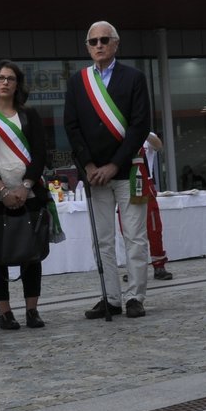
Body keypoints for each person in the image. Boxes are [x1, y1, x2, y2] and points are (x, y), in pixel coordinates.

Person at [64, 21, 153, 319]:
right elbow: (72, 127)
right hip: (95, 176)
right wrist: (89, 166)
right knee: (102, 239)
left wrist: (115, 164)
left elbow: (140, 125)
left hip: (128, 171)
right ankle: (111, 297)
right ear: (87, 47)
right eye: (93, 41)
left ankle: (135, 297)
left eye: (105, 39)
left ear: (116, 43)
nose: (99, 45)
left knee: (135, 237)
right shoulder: (78, 82)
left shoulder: (134, 78)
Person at [0, 60, 51, 330]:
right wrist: (3, 190)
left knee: (31, 252)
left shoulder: (30, 116)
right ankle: (5, 312)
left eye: (11, 78)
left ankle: (32, 310)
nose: (5, 83)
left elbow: (40, 154)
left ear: (18, 84)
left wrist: (25, 186)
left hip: (29, 192)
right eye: (1, 78)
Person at [141, 133, 174, 280]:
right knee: (129, 230)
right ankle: (134, 268)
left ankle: (159, 265)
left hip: (145, 184)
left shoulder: (147, 135)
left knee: (153, 227)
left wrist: (142, 129)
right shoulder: (120, 131)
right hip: (126, 184)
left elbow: (158, 145)